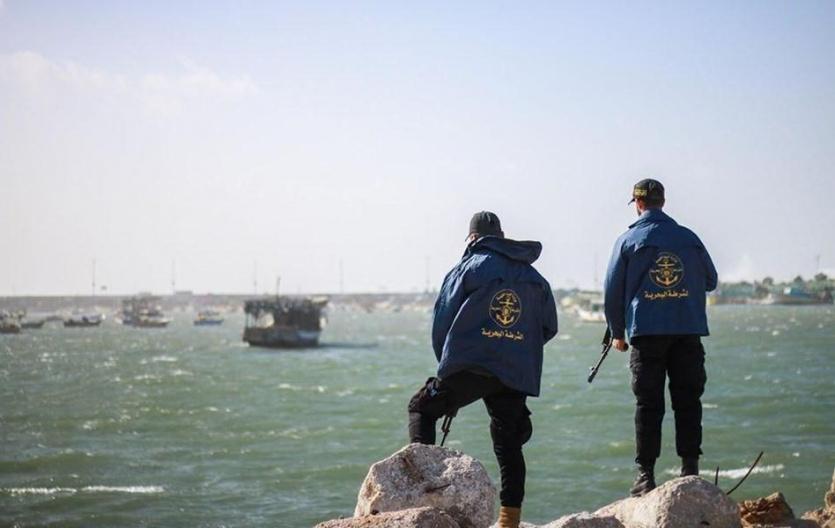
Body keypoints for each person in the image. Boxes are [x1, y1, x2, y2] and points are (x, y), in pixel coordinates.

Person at [408, 211, 558, 528]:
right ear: (501, 236)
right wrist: (516, 347)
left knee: (421, 407)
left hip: (471, 366)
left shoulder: (467, 268)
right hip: (514, 370)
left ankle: (420, 501)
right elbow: (548, 327)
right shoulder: (535, 277)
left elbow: (441, 323)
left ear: (473, 238)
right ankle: (509, 519)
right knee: (508, 443)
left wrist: (447, 370)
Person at [603, 179, 718, 497]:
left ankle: (645, 476)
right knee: (688, 401)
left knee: (648, 404)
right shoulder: (689, 238)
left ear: (638, 204)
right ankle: (690, 468)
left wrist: (617, 333)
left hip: (647, 333)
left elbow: (612, 292)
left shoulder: (627, 240)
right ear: (663, 202)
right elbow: (710, 280)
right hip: (687, 330)